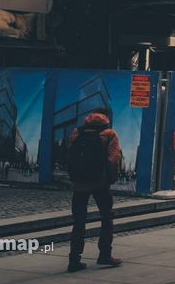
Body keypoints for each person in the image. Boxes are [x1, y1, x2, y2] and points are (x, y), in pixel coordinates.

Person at [66, 108, 123, 272]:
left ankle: (74, 260)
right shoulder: (109, 134)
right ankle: (104, 254)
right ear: (106, 119)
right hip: (100, 184)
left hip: (79, 185)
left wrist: (74, 178)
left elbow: (70, 156)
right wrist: (110, 180)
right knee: (107, 217)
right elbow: (113, 160)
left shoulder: (77, 132)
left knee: (78, 222)